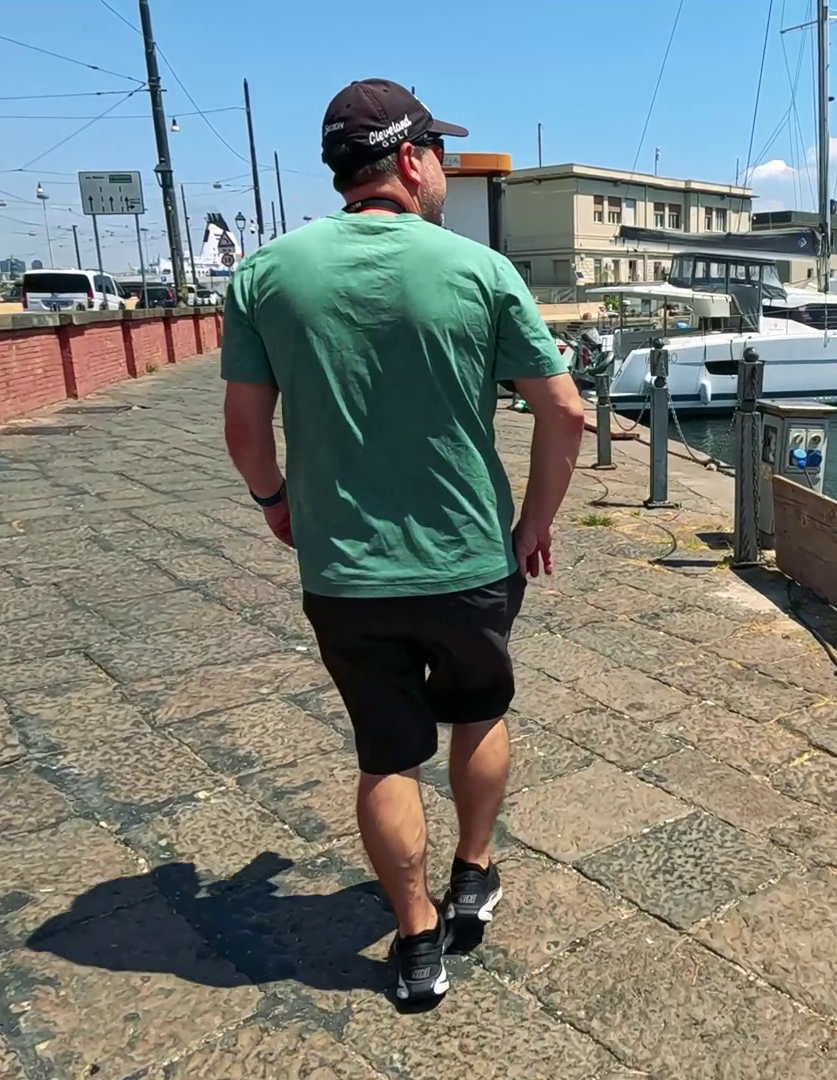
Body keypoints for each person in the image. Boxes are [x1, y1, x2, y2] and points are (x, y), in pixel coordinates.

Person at [219, 78, 585, 1006]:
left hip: (346, 570)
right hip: (470, 560)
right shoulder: (480, 271)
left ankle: (418, 942)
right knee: (480, 714)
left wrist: (273, 503)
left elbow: (244, 427)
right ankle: (474, 872)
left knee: (386, 755)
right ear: (412, 159)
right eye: (441, 157)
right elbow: (566, 412)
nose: (444, 176)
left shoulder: (266, 276)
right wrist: (534, 524)